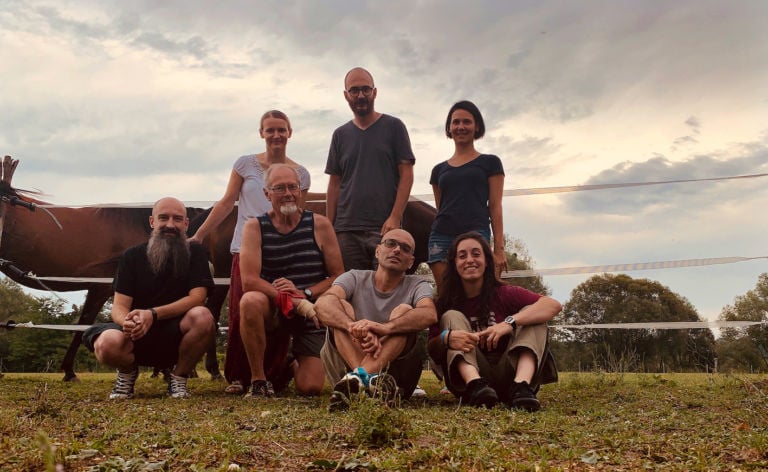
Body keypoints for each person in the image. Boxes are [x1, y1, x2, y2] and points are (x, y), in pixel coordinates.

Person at [190, 110, 315, 395]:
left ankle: (276, 373)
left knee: (281, 312)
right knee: (242, 311)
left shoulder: (301, 173)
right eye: (270, 130)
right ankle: (239, 376)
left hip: (282, 249)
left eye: (281, 130)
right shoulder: (245, 165)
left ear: (290, 133)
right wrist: (199, 235)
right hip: (245, 250)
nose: (276, 135)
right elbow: (226, 203)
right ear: (261, 133)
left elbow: (298, 213)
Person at [83, 197, 216, 399]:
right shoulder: (131, 256)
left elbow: (198, 298)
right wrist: (127, 322)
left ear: (186, 224)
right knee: (106, 344)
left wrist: (152, 315)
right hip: (136, 333)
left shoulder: (196, 252)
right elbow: (119, 307)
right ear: (152, 222)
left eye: (177, 219)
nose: (170, 225)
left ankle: (178, 378)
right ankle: (127, 373)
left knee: (204, 317)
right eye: (163, 218)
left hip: (177, 334)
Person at [238, 164, 344, 397]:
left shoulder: (320, 224)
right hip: (273, 310)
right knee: (250, 301)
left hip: (311, 312)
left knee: (311, 388)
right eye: (279, 188)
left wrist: (304, 294)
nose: (288, 193)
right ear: (267, 194)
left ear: (300, 191)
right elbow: (249, 281)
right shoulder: (254, 227)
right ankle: (258, 381)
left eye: (292, 187)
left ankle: (288, 362)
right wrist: (291, 299)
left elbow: (338, 275)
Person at [428, 232, 561, 411]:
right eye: (462, 256)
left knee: (533, 314)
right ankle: (475, 384)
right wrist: (446, 338)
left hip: (509, 370)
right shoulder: (443, 302)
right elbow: (432, 350)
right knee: (451, 315)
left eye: (476, 254)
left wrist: (509, 323)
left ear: (487, 262)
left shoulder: (505, 293)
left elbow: (552, 305)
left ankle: (522, 387)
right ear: (454, 264)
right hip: (472, 379)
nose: (469, 260)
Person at [315, 229, 437, 411]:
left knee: (404, 311)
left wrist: (384, 329)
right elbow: (322, 304)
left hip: (395, 377)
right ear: (378, 251)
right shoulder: (354, 277)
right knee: (339, 306)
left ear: (411, 261)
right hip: (347, 365)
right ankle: (365, 380)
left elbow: (429, 314)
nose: (397, 250)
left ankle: (357, 380)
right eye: (390, 243)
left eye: (405, 248)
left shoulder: (417, 284)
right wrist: (352, 327)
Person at [325, 67, 415, 271]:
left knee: (385, 288)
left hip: (384, 227)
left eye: (366, 89)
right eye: (354, 90)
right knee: (351, 289)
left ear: (375, 92)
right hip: (346, 229)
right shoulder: (340, 135)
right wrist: (330, 226)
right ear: (346, 95)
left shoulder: (394, 127)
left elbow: (406, 174)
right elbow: (334, 183)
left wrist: (395, 216)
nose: (360, 95)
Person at [428, 100, 508, 295]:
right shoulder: (438, 170)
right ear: (449, 127)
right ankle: (449, 327)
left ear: (477, 126)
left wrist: (499, 249)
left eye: (466, 122)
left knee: (480, 294)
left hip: (476, 233)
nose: (461, 127)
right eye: (456, 122)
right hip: (441, 237)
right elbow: (441, 208)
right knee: (447, 295)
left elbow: (495, 206)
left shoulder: (490, 163)